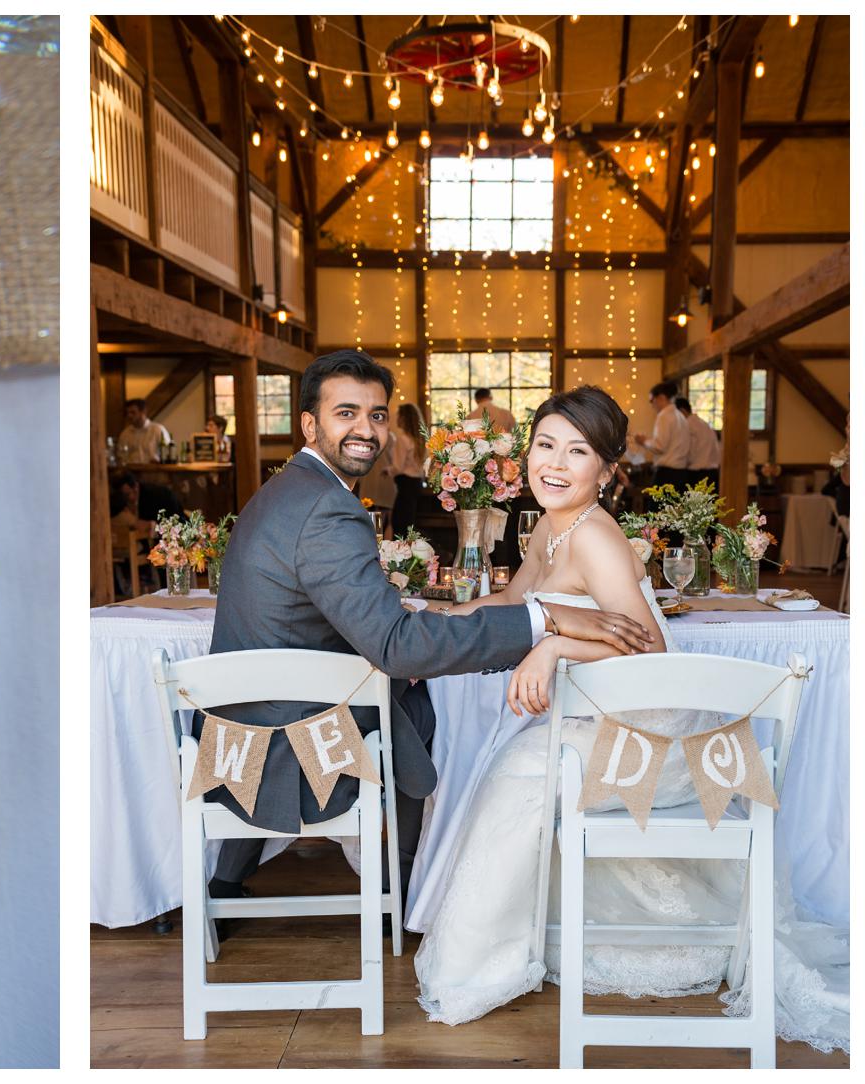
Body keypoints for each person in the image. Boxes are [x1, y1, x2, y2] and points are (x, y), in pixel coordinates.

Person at [409, 386, 849, 1051]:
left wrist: (555, 645)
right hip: (610, 716)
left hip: (655, 731)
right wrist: (434, 620)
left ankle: (483, 968)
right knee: (513, 758)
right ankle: (524, 941)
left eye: (577, 451)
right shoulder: (552, 528)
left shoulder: (597, 538)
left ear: (608, 472)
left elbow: (650, 648)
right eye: (545, 445)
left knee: (518, 772)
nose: (554, 464)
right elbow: (513, 600)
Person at [201, 352, 653, 932]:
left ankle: (373, 886)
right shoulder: (328, 510)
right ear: (311, 425)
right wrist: (545, 623)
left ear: (605, 469)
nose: (366, 429)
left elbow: (531, 614)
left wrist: (524, 627)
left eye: (377, 414)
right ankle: (401, 889)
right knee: (420, 705)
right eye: (347, 413)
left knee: (429, 699)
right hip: (293, 742)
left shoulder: (292, 491)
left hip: (246, 729)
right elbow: (406, 644)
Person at [632, 383, 694, 490]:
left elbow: (659, 447)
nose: (651, 405)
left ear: (661, 397)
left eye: (651, 400)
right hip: (681, 473)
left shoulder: (664, 415)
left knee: (658, 507)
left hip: (667, 474)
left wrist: (644, 441)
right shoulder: (680, 415)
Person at [389, 403, 428, 535]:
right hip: (417, 484)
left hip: (405, 484)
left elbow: (398, 467)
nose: (396, 419)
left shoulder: (403, 439)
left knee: (399, 523)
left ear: (404, 418)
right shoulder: (420, 440)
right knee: (409, 523)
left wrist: (387, 470)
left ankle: (400, 554)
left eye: (399, 416)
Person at [679, 395, 722, 490]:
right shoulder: (704, 424)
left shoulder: (687, 425)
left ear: (682, 411)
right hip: (713, 473)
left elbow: (688, 452)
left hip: (696, 475)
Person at [117, 398, 171, 466]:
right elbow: (121, 456)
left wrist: (159, 460)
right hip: (131, 473)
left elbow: (168, 452)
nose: (129, 416)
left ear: (143, 412)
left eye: (133, 412)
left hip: (154, 471)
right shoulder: (125, 434)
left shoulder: (158, 429)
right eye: (127, 413)